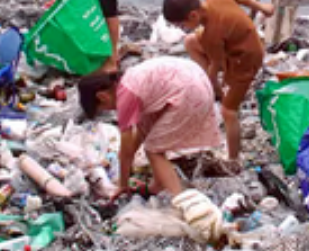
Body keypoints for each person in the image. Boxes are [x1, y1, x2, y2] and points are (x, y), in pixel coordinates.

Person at [76, 57, 222, 197]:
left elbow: (126, 149)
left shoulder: (125, 96)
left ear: (102, 96)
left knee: (153, 150)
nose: (111, 111)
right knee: (150, 132)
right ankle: (158, 185)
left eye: (105, 108)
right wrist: (127, 159)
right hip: (198, 80)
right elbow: (141, 132)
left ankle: (180, 200)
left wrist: (122, 185)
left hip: (190, 94)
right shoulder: (128, 80)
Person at [162, 0, 275, 162]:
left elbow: (216, 66)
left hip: (245, 59)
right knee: (191, 41)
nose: (182, 29)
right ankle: (220, 94)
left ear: (193, 16)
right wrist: (264, 8)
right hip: (241, 40)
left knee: (228, 112)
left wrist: (211, 85)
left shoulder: (212, 35)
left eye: (181, 25)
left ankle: (233, 158)